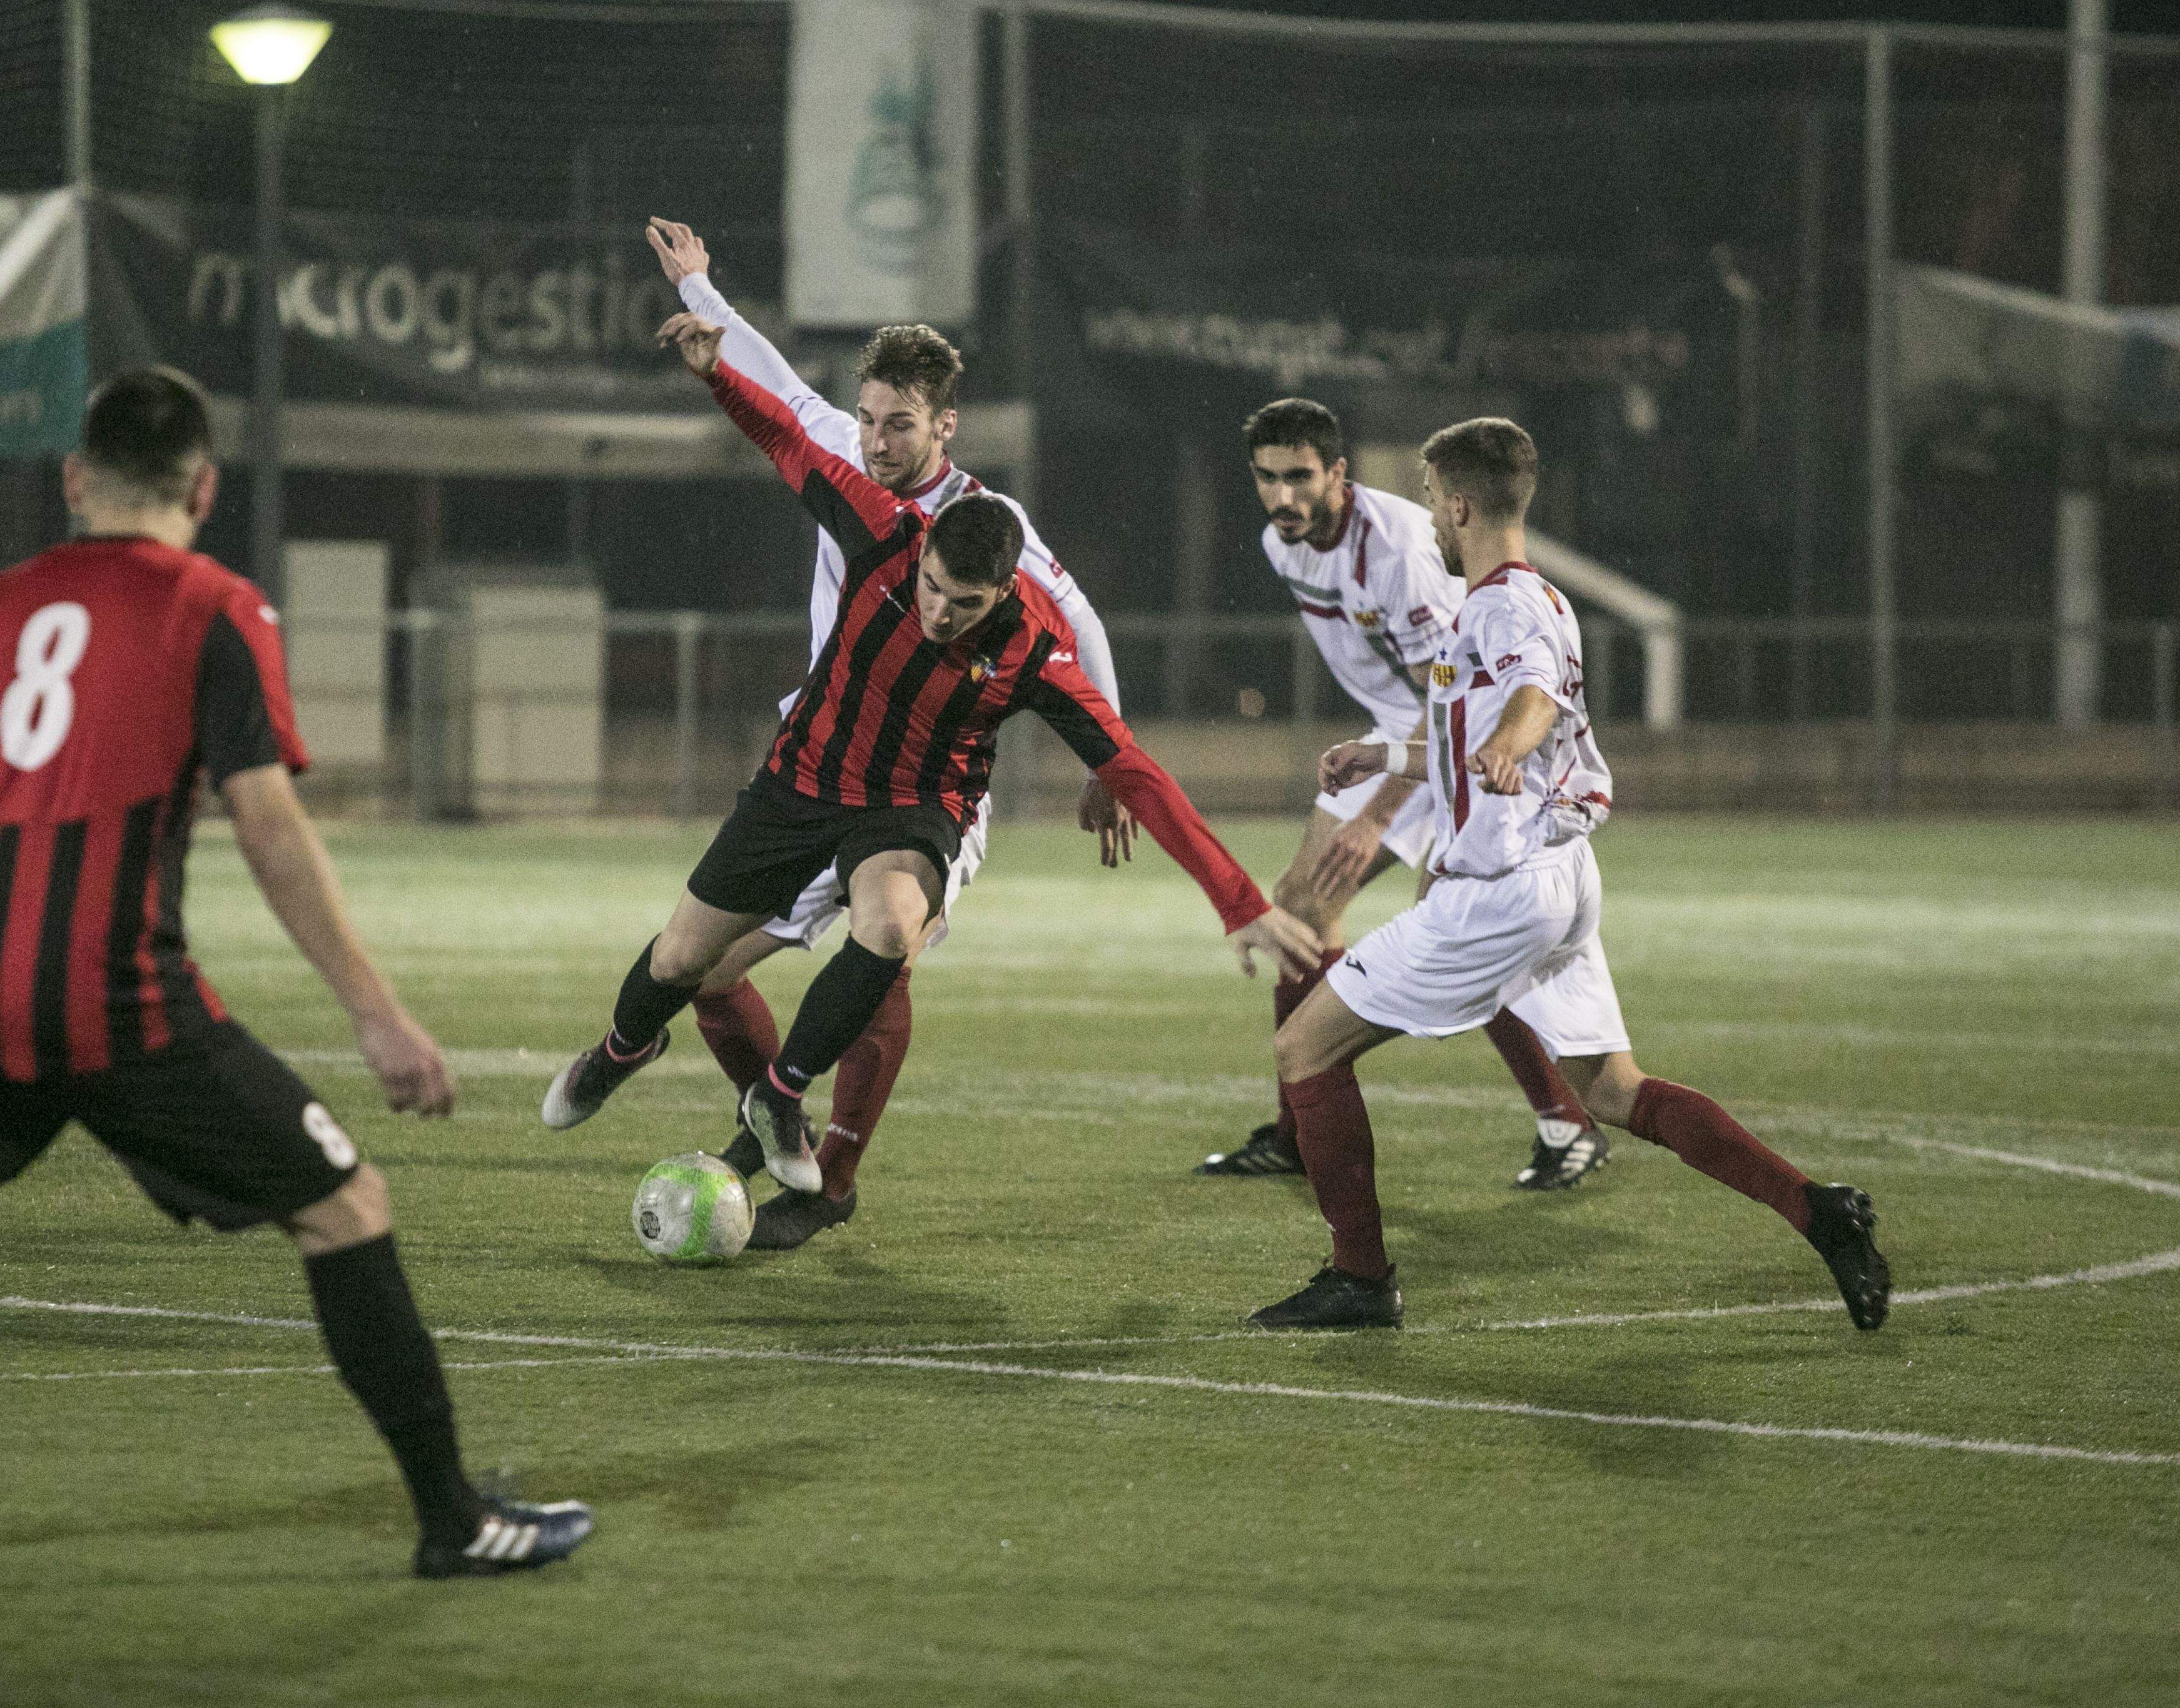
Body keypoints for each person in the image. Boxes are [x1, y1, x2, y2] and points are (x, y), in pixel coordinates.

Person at [0, 368, 592, 1581]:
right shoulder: (213, 607)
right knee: (346, 1207)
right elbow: (269, 828)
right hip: (118, 997)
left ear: (76, 480)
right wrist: (376, 1017)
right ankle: (452, 1520)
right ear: (204, 488)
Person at [542, 314, 1321, 1200]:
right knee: (683, 962)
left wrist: (1237, 900)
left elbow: (1143, 773)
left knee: (889, 930)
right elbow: (782, 432)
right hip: (802, 778)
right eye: (933, 590)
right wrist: (714, 373)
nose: (941, 612)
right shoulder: (880, 523)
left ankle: (783, 1096)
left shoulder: (1036, 650)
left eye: (967, 602)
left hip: (912, 806)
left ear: (1008, 593)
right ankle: (621, 1048)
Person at [1248, 417, 1890, 1332]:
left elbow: (1532, 697)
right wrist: (1383, 751)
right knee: (1616, 1091)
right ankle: (1818, 1208)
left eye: (1434, 496)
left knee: (1304, 1049)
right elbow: (1477, 721)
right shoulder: (1530, 596)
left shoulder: (1502, 609)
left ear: (1460, 503)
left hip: (1501, 893)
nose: (1430, 513)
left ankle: (1360, 1277)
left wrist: (1512, 742)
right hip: (1561, 877)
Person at [644, 216, 1135, 1249]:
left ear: (944, 427)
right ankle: (775, 1122)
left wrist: (1112, 758)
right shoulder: (844, 453)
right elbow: (769, 375)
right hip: (820, 765)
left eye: (902, 423)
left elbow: (1077, 620)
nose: (879, 439)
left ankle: (830, 1182)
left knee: (884, 951)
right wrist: (704, 289)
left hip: (922, 785)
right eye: (871, 419)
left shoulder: (979, 525)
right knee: (703, 974)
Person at [1195, 398, 1612, 1193]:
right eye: (1266, 478)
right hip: (1397, 737)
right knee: (1304, 905)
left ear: (1338, 475)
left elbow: (1443, 701)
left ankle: (1567, 1120)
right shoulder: (1281, 547)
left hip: (1440, 744)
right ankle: (1299, 1127)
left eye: (1299, 477)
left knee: (1448, 927)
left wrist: (1379, 813)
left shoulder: (1398, 553)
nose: (1282, 496)